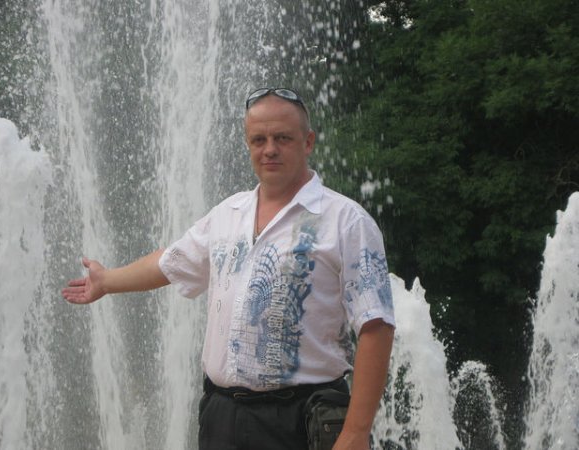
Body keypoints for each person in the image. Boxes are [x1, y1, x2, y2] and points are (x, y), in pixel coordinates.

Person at [62, 87, 395, 450]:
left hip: (302, 421)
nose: (269, 149)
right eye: (259, 140)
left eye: (282, 138)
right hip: (221, 416)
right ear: (248, 144)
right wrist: (107, 281)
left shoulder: (346, 221)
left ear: (308, 142)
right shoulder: (228, 214)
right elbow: (171, 262)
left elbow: (376, 326)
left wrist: (355, 432)